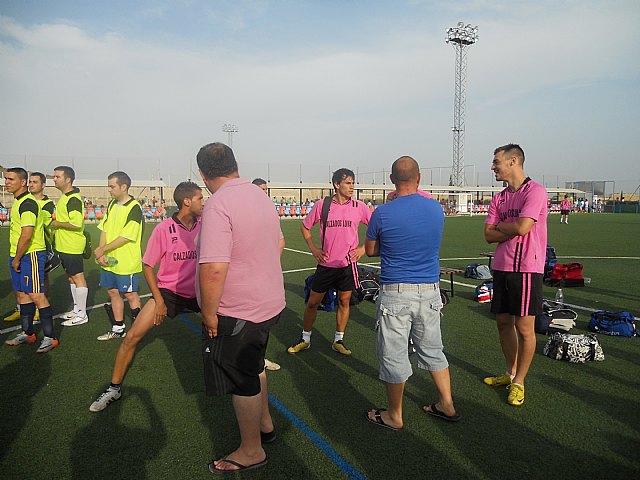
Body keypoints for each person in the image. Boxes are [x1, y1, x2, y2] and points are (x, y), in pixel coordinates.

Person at [197, 142, 285, 474]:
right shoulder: (258, 195)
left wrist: (208, 312)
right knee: (254, 364)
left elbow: (214, 268)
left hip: (240, 309)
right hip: (267, 302)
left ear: (203, 174)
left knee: (242, 377)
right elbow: (278, 242)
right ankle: (264, 424)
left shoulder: (219, 204)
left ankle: (252, 450)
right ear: (235, 165)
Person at [89, 182, 204, 412]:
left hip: (201, 290)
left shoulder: (207, 225)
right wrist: (159, 300)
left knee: (232, 327)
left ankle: (255, 364)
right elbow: (147, 265)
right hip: (169, 293)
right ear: (187, 202)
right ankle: (113, 389)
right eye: (200, 198)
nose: (204, 202)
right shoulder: (164, 229)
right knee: (131, 337)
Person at [364, 156, 459, 430]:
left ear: (392, 180)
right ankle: (447, 403)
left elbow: (371, 250)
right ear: (419, 179)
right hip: (429, 292)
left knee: (394, 354)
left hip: (396, 292)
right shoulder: (435, 209)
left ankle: (394, 414)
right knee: (433, 350)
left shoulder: (382, 212)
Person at [483, 144, 548, 407]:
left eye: (496, 162)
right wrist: (507, 228)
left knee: (524, 328)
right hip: (502, 267)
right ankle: (510, 373)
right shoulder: (498, 198)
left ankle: (520, 381)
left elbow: (523, 227)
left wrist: (502, 227)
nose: (493, 166)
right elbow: (488, 235)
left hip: (526, 269)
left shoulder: (535, 191)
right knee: (502, 323)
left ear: (513, 162)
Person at [287, 168, 371, 356]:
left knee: (344, 301)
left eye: (353, 183)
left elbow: (376, 229)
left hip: (348, 265)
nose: (352, 187)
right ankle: (305, 338)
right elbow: (305, 227)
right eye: (348, 183)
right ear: (336, 184)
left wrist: (362, 249)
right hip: (326, 265)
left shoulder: (359, 207)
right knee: (312, 302)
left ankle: (338, 340)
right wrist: (314, 249)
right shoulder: (322, 205)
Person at [4, 167, 58, 353]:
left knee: (37, 295)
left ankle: (50, 337)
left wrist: (17, 258)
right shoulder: (18, 202)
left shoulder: (28, 203)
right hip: (18, 254)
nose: (7, 182)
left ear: (23, 182)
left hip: (30, 254)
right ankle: (28, 333)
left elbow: (27, 235)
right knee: (22, 295)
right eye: (6, 179)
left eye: (11, 179)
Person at [94, 171, 143, 340]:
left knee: (130, 294)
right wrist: (102, 252)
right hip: (110, 260)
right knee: (113, 292)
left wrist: (103, 249)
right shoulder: (112, 205)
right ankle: (118, 328)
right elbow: (104, 228)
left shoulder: (134, 208)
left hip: (127, 261)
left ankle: (138, 330)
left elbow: (127, 236)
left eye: (112, 186)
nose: (109, 190)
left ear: (124, 187)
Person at [49, 166, 90, 326]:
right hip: (64, 245)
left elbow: (75, 222)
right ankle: (76, 309)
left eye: (57, 176)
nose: (54, 179)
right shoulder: (65, 197)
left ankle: (82, 314)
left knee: (78, 277)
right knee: (71, 277)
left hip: (72, 245)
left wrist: (55, 223)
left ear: (68, 179)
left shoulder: (73, 199)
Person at [252, 177, 286, 372]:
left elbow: (281, 241)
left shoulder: (269, 213)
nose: (263, 192)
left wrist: (270, 262)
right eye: (260, 189)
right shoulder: (244, 212)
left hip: (265, 278)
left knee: (263, 321)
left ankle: (259, 359)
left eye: (265, 189)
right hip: (247, 278)